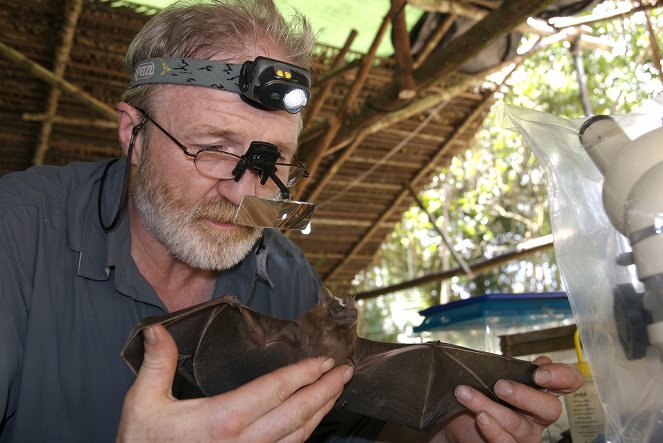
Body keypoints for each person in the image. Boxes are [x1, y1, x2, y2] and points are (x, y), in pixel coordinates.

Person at [0, 0, 583, 442]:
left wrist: (441, 430)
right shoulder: (17, 235)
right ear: (134, 134)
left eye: (271, 161)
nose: (241, 192)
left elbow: (342, 423)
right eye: (213, 147)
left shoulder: (283, 275)